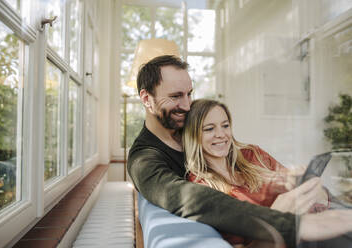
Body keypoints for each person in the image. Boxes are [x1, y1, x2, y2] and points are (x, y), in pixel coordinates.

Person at [127, 55, 352, 248]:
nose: (186, 105)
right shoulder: (145, 158)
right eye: (176, 96)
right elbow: (188, 198)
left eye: (189, 94)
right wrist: (286, 222)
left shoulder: (229, 147)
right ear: (147, 99)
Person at [183, 99, 329, 247]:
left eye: (225, 126)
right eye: (209, 129)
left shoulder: (252, 154)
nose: (221, 134)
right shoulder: (201, 188)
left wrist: (302, 180)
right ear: (193, 134)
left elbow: (293, 182)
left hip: (318, 227)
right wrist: (275, 218)